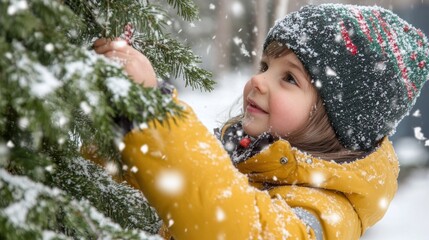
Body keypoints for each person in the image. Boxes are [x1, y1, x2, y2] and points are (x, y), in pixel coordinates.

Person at [92, 3, 429, 240]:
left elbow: (233, 225)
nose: (259, 81)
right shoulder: (238, 158)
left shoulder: (327, 214)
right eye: (265, 67)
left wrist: (154, 112)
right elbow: (133, 190)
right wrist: (113, 108)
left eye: (289, 79)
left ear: (333, 121)